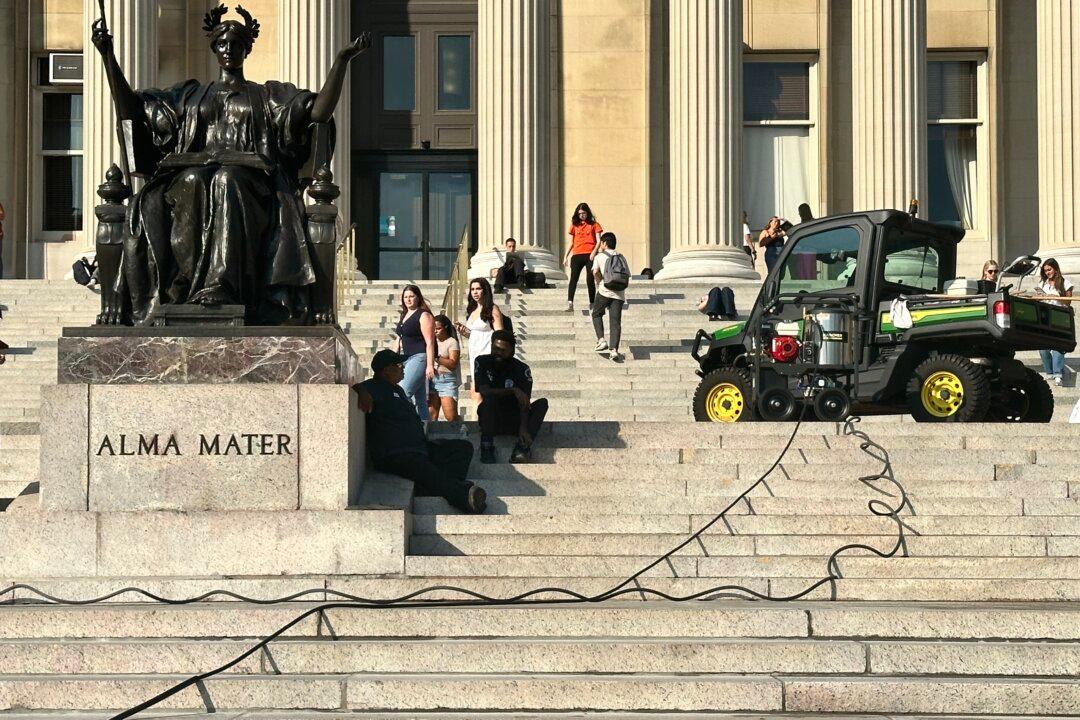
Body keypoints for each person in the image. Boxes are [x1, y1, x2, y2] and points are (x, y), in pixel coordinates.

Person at [89, 7, 371, 324]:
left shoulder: (267, 95)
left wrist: (342, 61)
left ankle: (220, 286)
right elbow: (133, 110)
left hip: (254, 184)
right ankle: (188, 287)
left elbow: (318, 112)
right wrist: (108, 56)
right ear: (214, 48)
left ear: (246, 50)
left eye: (236, 45)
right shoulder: (189, 95)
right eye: (222, 44)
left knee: (227, 179)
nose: (229, 50)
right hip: (190, 178)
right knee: (195, 179)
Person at [355, 350, 486, 513]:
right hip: (396, 453)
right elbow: (351, 389)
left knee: (462, 448)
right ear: (386, 370)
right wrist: (360, 389)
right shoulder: (371, 388)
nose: (403, 369)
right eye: (399, 365)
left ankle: (432, 488)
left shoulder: (399, 391)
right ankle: (464, 497)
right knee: (424, 469)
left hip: (418, 448)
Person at [474, 330, 548, 464]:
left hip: (515, 419)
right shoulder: (482, 362)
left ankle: (521, 449)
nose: (498, 353)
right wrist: (512, 390)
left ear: (512, 351)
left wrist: (524, 427)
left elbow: (525, 402)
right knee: (489, 397)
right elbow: (484, 391)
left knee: (542, 403)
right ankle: (487, 447)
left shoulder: (522, 368)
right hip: (492, 419)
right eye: (495, 348)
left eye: (503, 350)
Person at [455, 278, 506, 404]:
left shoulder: (492, 309)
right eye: (472, 289)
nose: (475, 292)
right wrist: (464, 332)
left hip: (488, 352)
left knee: (479, 392)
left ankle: (477, 421)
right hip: (474, 353)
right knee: (475, 392)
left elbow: (500, 333)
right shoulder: (472, 310)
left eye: (478, 289)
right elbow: (475, 334)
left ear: (485, 290)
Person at [393, 284, 435, 419]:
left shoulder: (423, 315)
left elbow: (429, 342)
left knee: (403, 393)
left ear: (418, 297)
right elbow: (398, 339)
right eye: (405, 297)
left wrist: (430, 365)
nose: (408, 299)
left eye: (411, 296)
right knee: (421, 401)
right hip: (405, 358)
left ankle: (407, 423)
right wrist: (393, 360)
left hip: (419, 357)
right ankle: (424, 430)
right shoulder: (404, 315)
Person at [591, 232, 627, 362]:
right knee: (615, 322)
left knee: (596, 313)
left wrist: (598, 282)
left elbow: (595, 272)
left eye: (601, 242)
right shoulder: (621, 257)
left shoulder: (599, 256)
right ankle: (614, 350)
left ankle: (601, 340)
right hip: (619, 293)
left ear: (604, 243)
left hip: (604, 291)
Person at [1037, 258, 1073, 386]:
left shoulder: (1065, 283)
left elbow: (1068, 302)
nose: (1047, 272)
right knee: (1043, 348)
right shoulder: (1043, 284)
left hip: (1059, 317)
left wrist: (1057, 297)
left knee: (1058, 346)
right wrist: (1041, 298)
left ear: (1055, 269)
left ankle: (1058, 373)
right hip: (1045, 317)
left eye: (1049, 269)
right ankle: (1050, 372)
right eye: (1045, 270)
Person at [563, 202, 603, 312]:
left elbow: (599, 241)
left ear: (587, 213)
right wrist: (565, 256)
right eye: (579, 213)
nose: (581, 215)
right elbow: (571, 242)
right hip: (576, 255)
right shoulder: (574, 225)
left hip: (590, 254)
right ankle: (570, 302)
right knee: (573, 279)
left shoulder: (595, 224)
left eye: (583, 213)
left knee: (590, 278)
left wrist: (594, 252)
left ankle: (592, 302)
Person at [428, 314, 462, 423]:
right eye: (433, 328)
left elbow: (453, 364)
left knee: (450, 416)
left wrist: (437, 357)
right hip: (432, 379)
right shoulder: (431, 341)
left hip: (446, 380)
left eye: (438, 328)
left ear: (446, 328)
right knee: (431, 416)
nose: (435, 331)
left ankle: (462, 429)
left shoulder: (452, 342)